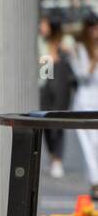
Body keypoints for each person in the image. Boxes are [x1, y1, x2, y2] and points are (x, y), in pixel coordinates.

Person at [40, 17, 76, 179]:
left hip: (61, 85)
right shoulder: (40, 42)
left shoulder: (65, 41)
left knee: (58, 121)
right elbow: (43, 71)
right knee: (45, 122)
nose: (42, 27)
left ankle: (57, 159)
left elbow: (73, 55)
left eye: (45, 24)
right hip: (45, 85)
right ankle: (53, 155)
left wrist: (62, 51)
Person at [71, 16, 98, 200]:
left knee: (97, 144)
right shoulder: (79, 49)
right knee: (89, 145)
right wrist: (94, 60)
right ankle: (95, 182)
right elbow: (82, 74)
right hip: (84, 101)